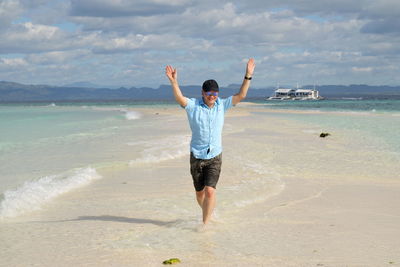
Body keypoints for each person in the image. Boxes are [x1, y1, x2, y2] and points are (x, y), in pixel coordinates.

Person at [165, 58, 255, 224]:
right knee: (200, 194)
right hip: (197, 156)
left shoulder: (222, 105)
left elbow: (241, 95)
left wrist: (248, 75)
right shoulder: (193, 106)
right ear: (203, 93)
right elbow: (179, 98)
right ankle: (208, 212)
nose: (212, 96)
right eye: (209, 93)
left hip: (214, 156)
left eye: (215, 93)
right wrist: (174, 82)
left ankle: (205, 226)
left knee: (210, 192)